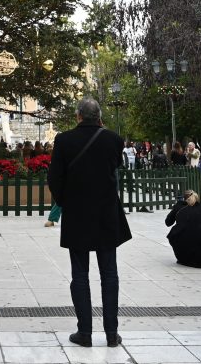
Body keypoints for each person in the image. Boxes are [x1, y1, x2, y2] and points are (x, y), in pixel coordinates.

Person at [47, 98, 131, 348]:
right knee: (110, 274)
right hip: (106, 214)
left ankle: (84, 332)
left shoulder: (64, 140)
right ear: (99, 117)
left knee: (80, 274)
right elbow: (114, 166)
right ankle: (111, 334)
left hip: (78, 215)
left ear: (78, 116)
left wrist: (66, 201)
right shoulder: (114, 139)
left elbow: (54, 178)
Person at [164, 189, 201, 269]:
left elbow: (168, 223)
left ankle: (183, 256)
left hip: (181, 243)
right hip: (198, 241)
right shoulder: (200, 206)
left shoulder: (178, 206)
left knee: (176, 232)